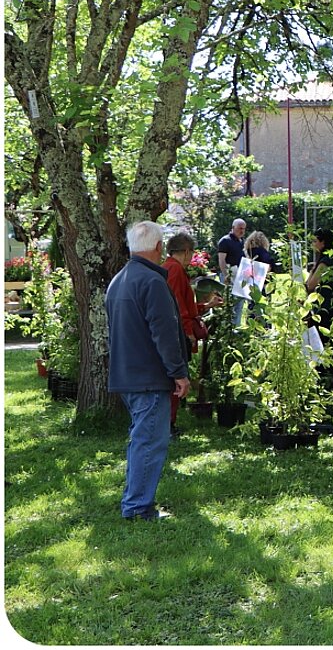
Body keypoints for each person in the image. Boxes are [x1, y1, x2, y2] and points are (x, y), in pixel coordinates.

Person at [106, 221, 191, 519]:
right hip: (149, 376)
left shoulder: (119, 279)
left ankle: (136, 501)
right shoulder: (152, 281)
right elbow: (163, 333)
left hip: (128, 374)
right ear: (158, 247)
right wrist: (178, 373)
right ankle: (138, 506)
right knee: (149, 442)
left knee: (142, 439)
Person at [163, 232, 206, 436]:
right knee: (175, 377)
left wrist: (205, 306)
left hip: (175, 328)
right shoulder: (175, 269)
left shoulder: (169, 267)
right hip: (177, 332)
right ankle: (168, 424)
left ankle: (168, 422)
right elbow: (177, 304)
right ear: (187, 251)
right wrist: (188, 332)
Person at [304, 228, 333, 388]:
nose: (313, 244)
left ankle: (330, 379)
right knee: (325, 342)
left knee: (322, 343)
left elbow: (311, 284)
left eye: (315, 241)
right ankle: (330, 378)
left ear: (323, 242)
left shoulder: (326, 261)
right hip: (331, 306)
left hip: (323, 308)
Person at [216, 217, 247, 325]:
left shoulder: (242, 242)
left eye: (243, 229)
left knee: (239, 304)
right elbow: (221, 260)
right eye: (239, 228)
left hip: (240, 277)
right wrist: (226, 276)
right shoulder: (225, 241)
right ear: (233, 227)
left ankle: (236, 327)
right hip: (229, 276)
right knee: (229, 304)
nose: (242, 231)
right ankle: (227, 328)